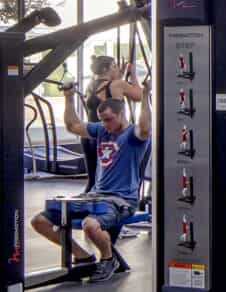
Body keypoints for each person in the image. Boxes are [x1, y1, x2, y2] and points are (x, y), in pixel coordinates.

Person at [31, 73, 149, 282]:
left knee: (90, 225)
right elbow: (73, 126)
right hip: (95, 196)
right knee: (39, 221)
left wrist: (146, 96)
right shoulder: (102, 130)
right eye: (102, 120)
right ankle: (83, 255)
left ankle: (108, 259)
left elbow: (146, 127)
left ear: (121, 115)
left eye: (109, 119)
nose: (105, 124)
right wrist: (68, 97)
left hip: (121, 200)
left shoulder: (133, 136)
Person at [81, 55, 119, 193]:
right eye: (114, 66)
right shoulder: (111, 86)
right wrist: (129, 75)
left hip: (88, 134)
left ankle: (85, 208)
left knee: (92, 180)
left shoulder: (90, 85)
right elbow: (118, 109)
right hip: (102, 135)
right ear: (105, 68)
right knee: (105, 180)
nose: (116, 69)